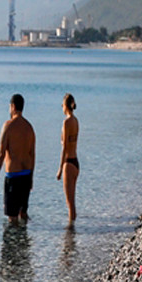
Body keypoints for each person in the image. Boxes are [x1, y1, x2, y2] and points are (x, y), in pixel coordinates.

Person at [0, 93, 36, 223]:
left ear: (12, 106)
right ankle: (24, 242)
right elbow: (32, 155)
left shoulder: (8, 126)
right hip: (27, 175)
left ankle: (13, 243)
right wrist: (31, 178)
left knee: (12, 219)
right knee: (23, 214)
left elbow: (0, 154)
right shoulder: (29, 128)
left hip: (13, 177)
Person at [55, 93, 80, 224]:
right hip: (76, 162)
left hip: (68, 163)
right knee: (72, 201)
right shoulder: (75, 121)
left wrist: (60, 169)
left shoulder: (66, 122)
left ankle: (70, 235)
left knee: (69, 202)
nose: (61, 107)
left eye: (62, 105)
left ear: (65, 106)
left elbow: (64, 147)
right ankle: (72, 232)